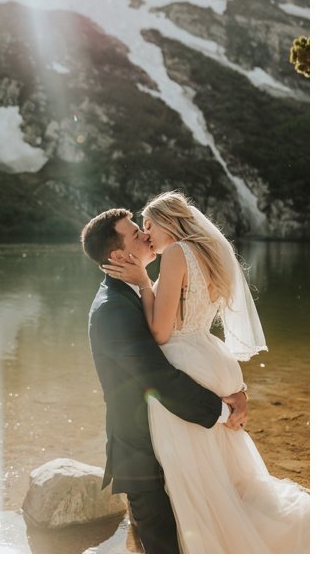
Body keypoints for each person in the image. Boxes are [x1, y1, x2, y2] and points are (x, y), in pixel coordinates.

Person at [100, 192, 309, 553]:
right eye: (141, 229)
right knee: (227, 473)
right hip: (212, 356)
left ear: (169, 222)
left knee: (198, 479)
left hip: (186, 363)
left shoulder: (177, 254)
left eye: (149, 225)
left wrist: (144, 283)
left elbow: (162, 332)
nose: (147, 235)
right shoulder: (208, 253)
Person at [80, 207, 242, 553]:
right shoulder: (112, 309)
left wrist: (235, 389)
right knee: (164, 548)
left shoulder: (138, 290)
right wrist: (224, 412)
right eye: (136, 234)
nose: (146, 236)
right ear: (119, 255)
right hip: (143, 457)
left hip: (171, 441)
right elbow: (158, 378)